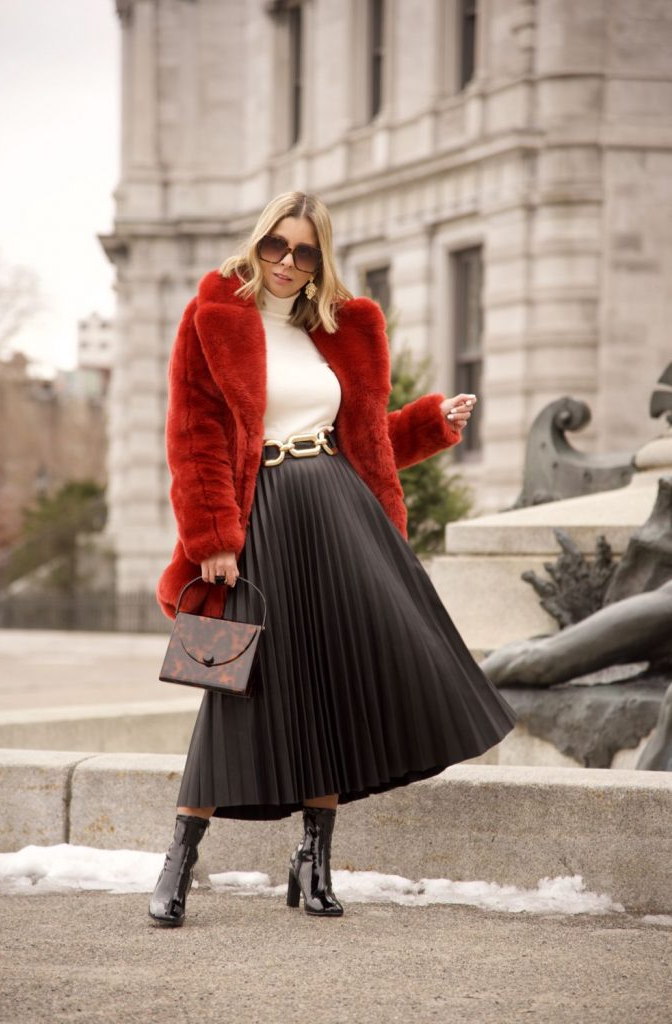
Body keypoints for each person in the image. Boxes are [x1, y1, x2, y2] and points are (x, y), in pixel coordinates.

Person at [149, 190, 518, 925]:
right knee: (234, 686)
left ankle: (313, 862)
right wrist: (214, 539)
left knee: (334, 676)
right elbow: (194, 438)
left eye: (304, 251)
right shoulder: (214, 318)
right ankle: (180, 859)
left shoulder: (345, 327)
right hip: (262, 517)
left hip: (339, 511)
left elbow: (362, 441)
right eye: (275, 246)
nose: (287, 262)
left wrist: (426, 425)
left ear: (321, 260)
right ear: (257, 245)